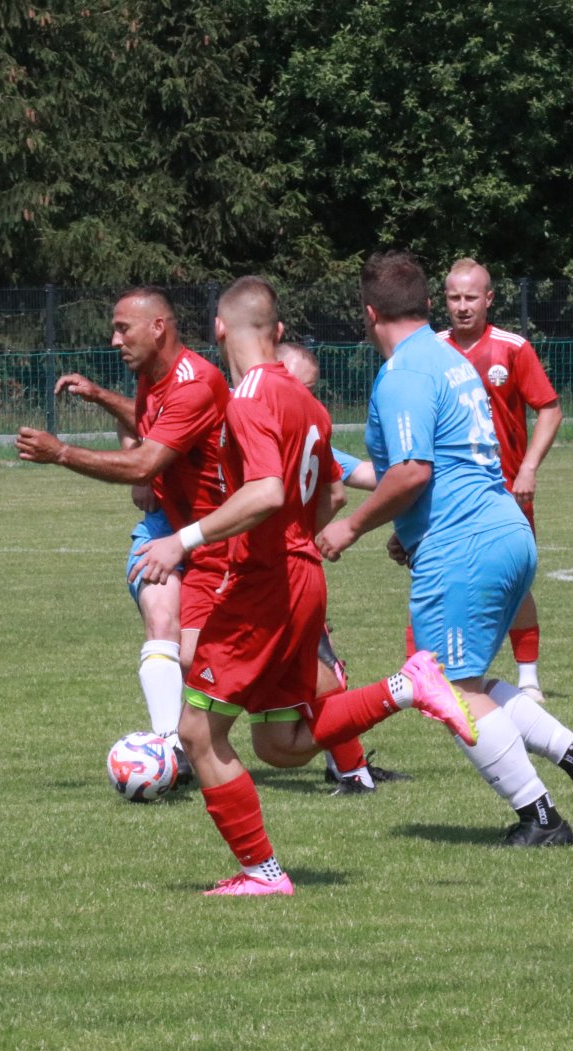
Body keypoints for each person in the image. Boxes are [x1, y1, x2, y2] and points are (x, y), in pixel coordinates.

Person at [135, 277, 472, 894]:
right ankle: (404, 687)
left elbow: (265, 492)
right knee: (280, 743)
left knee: (197, 733)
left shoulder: (248, 397)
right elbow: (333, 494)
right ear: (279, 331)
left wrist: (182, 541)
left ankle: (262, 874)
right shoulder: (306, 402)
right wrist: (298, 545)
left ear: (218, 329)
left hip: (264, 582)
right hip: (302, 574)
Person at [314, 251, 573, 847]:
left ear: (369, 313)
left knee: (447, 690)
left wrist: (350, 528)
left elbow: (412, 473)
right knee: (465, 680)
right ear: (429, 304)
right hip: (504, 530)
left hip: (464, 545)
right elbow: (419, 468)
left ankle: (540, 820)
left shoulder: (405, 373)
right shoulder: (448, 361)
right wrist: (335, 462)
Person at [15, 287, 230, 778]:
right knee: (161, 616)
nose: (114, 340)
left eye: (122, 328)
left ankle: (337, 743)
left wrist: (61, 453)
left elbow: (145, 462)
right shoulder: (151, 376)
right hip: (165, 525)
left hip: (218, 533)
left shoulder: (196, 383)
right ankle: (170, 754)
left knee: (208, 658)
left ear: (158, 327)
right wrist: (100, 396)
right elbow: (155, 422)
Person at [277, 341, 410, 795]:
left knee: (322, 673)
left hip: (287, 572)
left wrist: (421, 469)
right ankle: (177, 747)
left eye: (311, 390)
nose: (306, 399)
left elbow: (362, 478)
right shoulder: (245, 421)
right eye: (298, 387)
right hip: (252, 575)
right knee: (312, 681)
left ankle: (351, 770)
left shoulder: (307, 432)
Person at [437, 259, 562, 703]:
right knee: (445, 579)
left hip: (505, 489)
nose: (463, 306)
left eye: (471, 297)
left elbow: (550, 409)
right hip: (449, 492)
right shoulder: (432, 350)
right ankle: (441, 676)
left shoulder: (512, 348)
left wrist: (528, 467)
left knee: (514, 581)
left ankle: (528, 678)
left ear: (489, 299)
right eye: (455, 297)